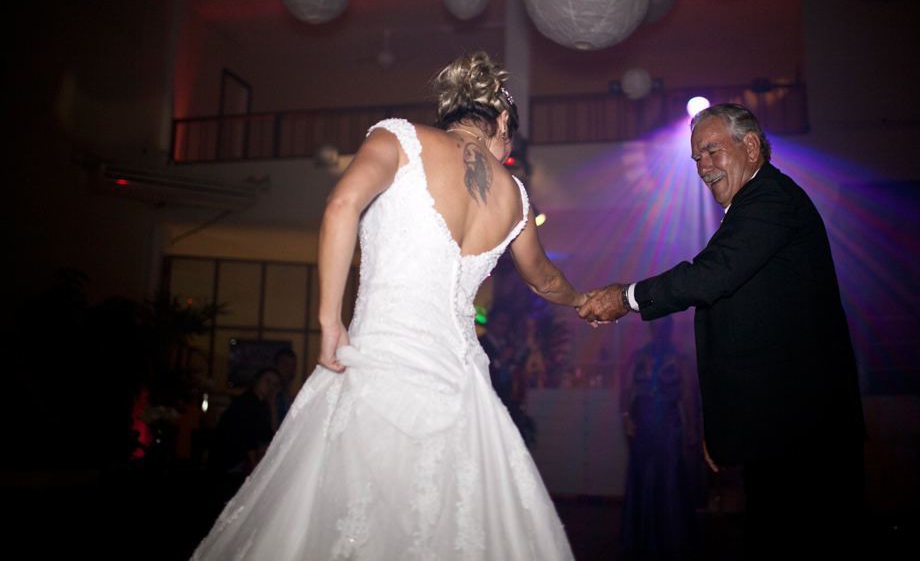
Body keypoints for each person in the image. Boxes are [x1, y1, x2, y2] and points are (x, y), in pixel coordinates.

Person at [192, 52, 583, 561]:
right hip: (461, 385)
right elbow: (546, 280)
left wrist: (329, 320)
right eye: (510, 135)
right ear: (501, 121)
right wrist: (586, 301)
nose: (508, 148)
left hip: (378, 364)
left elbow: (340, 205)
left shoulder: (400, 138)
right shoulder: (517, 197)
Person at [579, 103, 866, 559]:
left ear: (750, 146)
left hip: (803, 432)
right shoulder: (752, 207)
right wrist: (725, 429)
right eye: (696, 159)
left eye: (711, 151)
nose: (703, 167)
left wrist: (625, 297)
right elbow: (742, 329)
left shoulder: (771, 199)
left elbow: (711, 276)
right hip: (779, 430)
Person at [620, 318, 698, 558]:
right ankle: (642, 538)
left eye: (665, 327)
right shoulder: (637, 358)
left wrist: (692, 430)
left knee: (670, 481)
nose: (661, 332)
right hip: (642, 429)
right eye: (657, 327)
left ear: (670, 330)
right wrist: (626, 417)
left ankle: (672, 539)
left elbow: (687, 397)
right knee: (643, 479)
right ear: (651, 330)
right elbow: (626, 392)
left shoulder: (680, 361)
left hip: (669, 428)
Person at [208, 368, 281, 475]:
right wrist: (254, 469)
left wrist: (273, 405)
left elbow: (271, 436)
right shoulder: (248, 401)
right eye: (267, 381)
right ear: (256, 381)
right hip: (230, 462)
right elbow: (248, 437)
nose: (270, 386)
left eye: (275, 385)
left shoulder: (260, 405)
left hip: (236, 459)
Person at [272, 347, 297, 425]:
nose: (289, 370)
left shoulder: (286, 391)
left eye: (293, 366)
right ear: (275, 365)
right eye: (285, 365)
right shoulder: (268, 391)